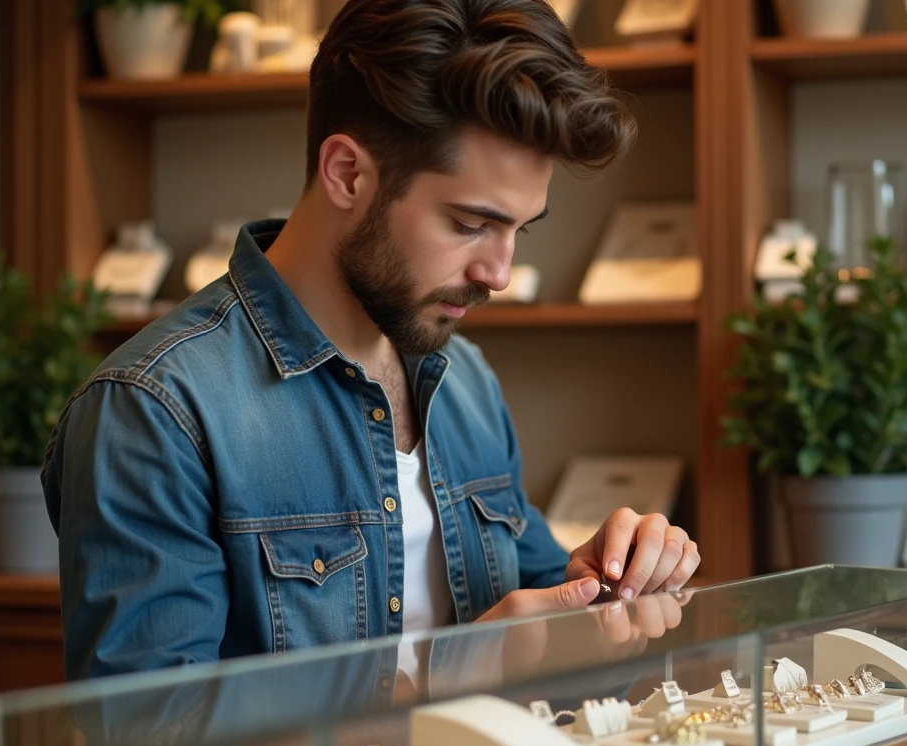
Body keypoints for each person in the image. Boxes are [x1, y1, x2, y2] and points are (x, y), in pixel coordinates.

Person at [42, 0, 701, 683]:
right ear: (348, 174)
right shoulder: (153, 413)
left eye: (519, 230)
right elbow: (152, 739)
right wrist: (447, 675)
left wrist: (604, 581)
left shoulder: (463, 378)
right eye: (471, 223)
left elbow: (523, 590)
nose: (499, 274)